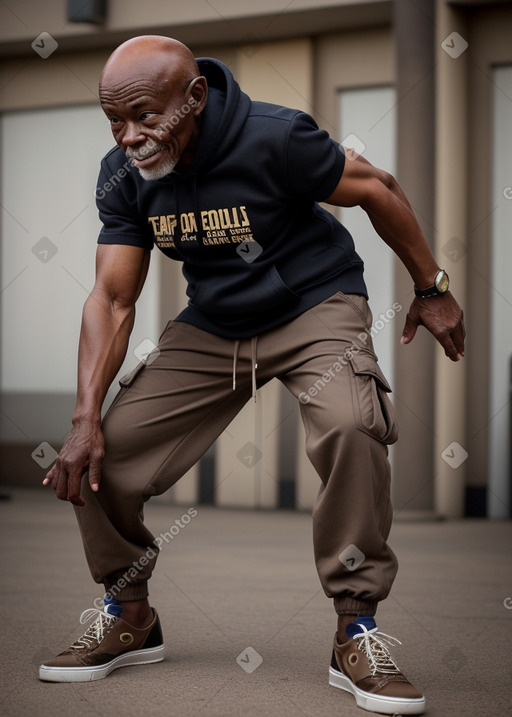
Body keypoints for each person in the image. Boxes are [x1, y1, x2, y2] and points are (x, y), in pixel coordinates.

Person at [40, 35, 465, 715]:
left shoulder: (276, 138)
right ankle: (130, 612)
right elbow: (114, 298)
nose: (130, 137)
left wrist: (431, 285)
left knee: (352, 424)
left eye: (146, 116)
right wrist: (83, 415)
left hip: (315, 303)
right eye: (115, 121)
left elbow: (377, 188)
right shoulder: (122, 175)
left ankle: (356, 627)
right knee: (103, 453)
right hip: (216, 321)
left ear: (195, 98)